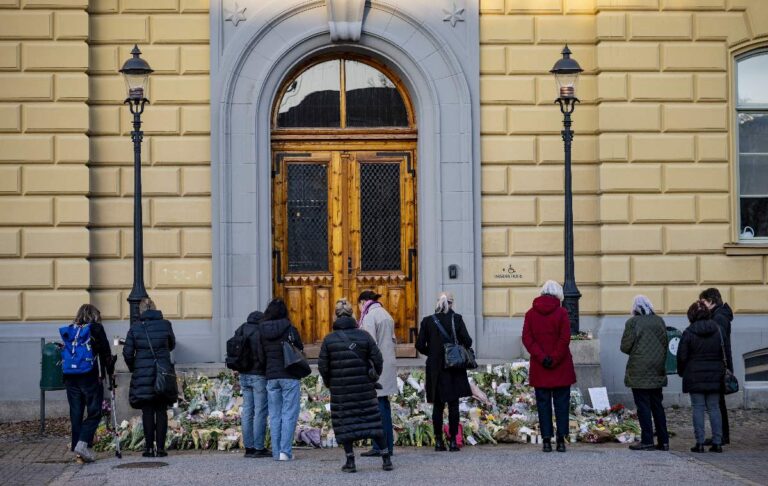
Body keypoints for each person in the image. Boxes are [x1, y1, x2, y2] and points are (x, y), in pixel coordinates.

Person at [318, 299, 392, 473]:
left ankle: (350, 461)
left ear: (335, 315)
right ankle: (386, 459)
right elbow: (378, 359)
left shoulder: (329, 340)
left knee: (345, 423)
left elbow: (323, 366)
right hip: (364, 388)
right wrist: (374, 376)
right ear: (352, 314)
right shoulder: (364, 335)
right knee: (374, 422)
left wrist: (330, 382)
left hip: (341, 390)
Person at [522, 280, 576, 453]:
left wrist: (542, 357)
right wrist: (554, 358)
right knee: (562, 404)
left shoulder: (530, 314)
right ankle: (560, 440)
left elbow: (527, 338)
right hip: (560, 366)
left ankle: (546, 440)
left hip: (540, 366)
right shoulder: (562, 313)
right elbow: (565, 338)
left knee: (543, 404)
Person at [416, 292, 473, 452]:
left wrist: (433, 353)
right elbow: (468, 341)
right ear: (451, 303)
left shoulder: (428, 321)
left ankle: (438, 442)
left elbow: (420, 345)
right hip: (454, 367)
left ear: (438, 304)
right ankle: (454, 441)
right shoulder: (457, 319)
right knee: (454, 405)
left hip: (435, 368)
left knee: (438, 406)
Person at [123, 297, 176, 458]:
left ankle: (148, 449)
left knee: (147, 411)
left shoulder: (135, 327)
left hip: (143, 374)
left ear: (140, 310)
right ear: (155, 308)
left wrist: (135, 368)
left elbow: (127, 352)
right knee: (161, 411)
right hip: (162, 374)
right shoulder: (165, 324)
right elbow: (172, 345)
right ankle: (160, 448)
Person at [62, 304, 114, 463]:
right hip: (89, 376)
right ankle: (83, 444)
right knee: (94, 412)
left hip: (70, 376)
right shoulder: (96, 329)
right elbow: (106, 353)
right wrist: (109, 372)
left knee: (76, 412)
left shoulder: (71, 329)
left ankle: (78, 452)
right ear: (95, 315)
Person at [620, 295, 670, 451]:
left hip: (639, 369)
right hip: (657, 367)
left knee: (643, 406)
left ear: (635, 308)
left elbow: (625, 346)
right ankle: (664, 441)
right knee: (657, 405)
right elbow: (665, 342)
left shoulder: (633, 322)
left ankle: (647, 440)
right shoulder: (659, 321)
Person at [677, 300, 725, 453]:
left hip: (694, 375)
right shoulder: (717, 329)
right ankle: (717, 442)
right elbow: (724, 352)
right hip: (715, 374)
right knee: (714, 408)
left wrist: (681, 371)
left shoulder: (689, 332)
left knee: (698, 408)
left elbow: (682, 356)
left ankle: (699, 443)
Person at [258, 298, 303, 461]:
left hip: (271, 376)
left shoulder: (262, 329)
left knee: (275, 414)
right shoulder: (289, 327)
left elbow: (260, 355)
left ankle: (277, 452)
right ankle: (285, 451)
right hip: (290, 375)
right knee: (289, 413)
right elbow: (300, 347)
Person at [357, 290, 398, 458]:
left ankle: (379, 446)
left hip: (377, 367)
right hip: (388, 363)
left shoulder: (369, 317)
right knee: (384, 405)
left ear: (363, 302)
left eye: (359, 304)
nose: (359, 309)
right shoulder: (386, 314)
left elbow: (369, 344)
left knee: (378, 408)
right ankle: (387, 445)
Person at [699, 287, 733, 446]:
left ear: (711, 301)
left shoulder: (719, 318)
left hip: (718, 365)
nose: (702, 305)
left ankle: (721, 436)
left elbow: (717, 343)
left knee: (717, 404)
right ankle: (721, 435)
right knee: (718, 403)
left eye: (703, 302)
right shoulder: (719, 315)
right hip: (719, 364)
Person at [237, 310, 270, 458]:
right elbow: (262, 355)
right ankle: (258, 447)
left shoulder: (241, 329)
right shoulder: (260, 332)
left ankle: (248, 448)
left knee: (247, 411)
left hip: (243, 374)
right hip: (258, 375)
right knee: (260, 412)